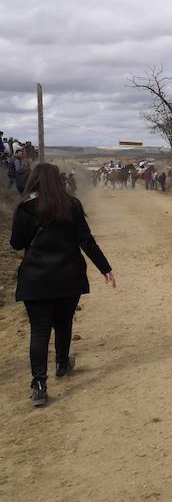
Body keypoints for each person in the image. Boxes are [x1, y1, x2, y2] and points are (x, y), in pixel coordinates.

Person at [9, 163, 117, 407]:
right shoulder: (72, 205)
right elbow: (86, 241)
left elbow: (16, 244)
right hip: (69, 275)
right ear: (59, 180)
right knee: (64, 322)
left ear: (33, 181)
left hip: (35, 278)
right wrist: (105, 268)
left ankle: (38, 384)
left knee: (39, 330)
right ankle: (61, 364)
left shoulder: (24, 208)